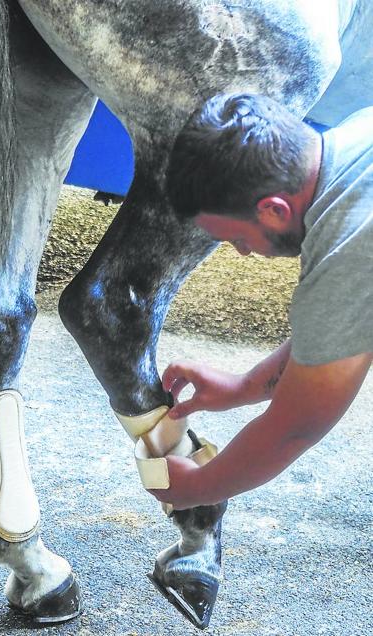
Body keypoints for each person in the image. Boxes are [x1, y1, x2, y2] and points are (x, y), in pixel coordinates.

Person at [149, 93, 373, 510]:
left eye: (236, 236)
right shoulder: (359, 134)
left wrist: (199, 488)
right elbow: (347, 323)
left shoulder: (351, 242)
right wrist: (246, 387)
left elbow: (296, 427)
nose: (242, 251)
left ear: (273, 210)